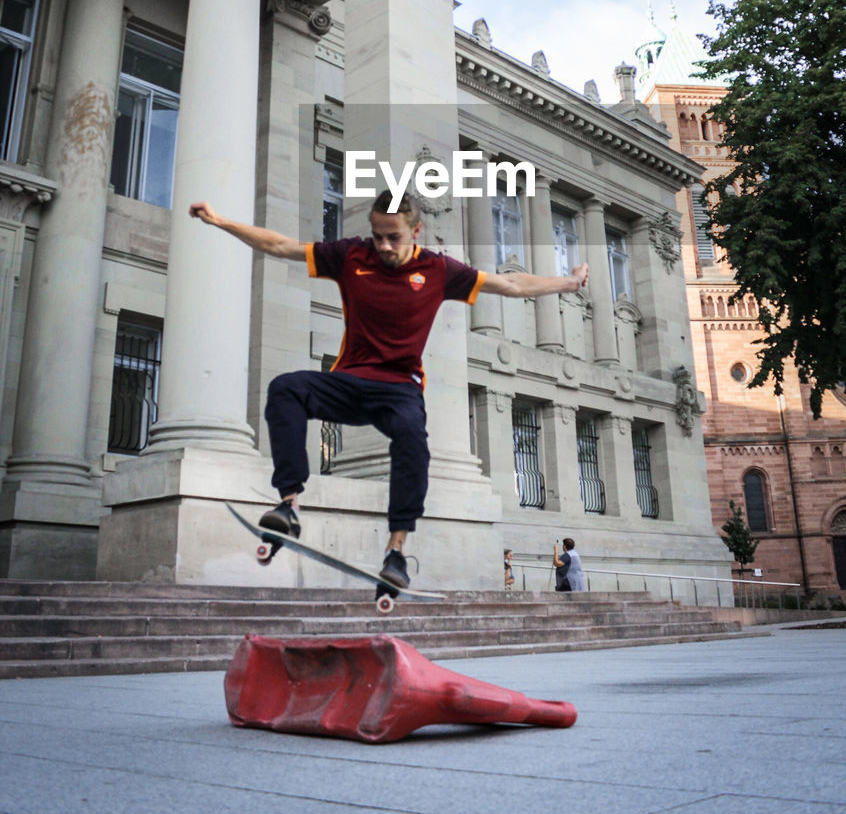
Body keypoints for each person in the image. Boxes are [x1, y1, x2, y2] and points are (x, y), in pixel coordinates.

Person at [190, 189, 589, 590]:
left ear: (416, 230)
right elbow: (280, 245)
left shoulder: (439, 269)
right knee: (285, 389)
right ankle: (289, 503)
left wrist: (568, 283)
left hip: (400, 389)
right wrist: (220, 221)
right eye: (377, 235)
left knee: (413, 440)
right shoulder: (350, 255)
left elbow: (511, 285)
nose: (383, 246)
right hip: (350, 381)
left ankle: (395, 551)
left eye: (393, 237)